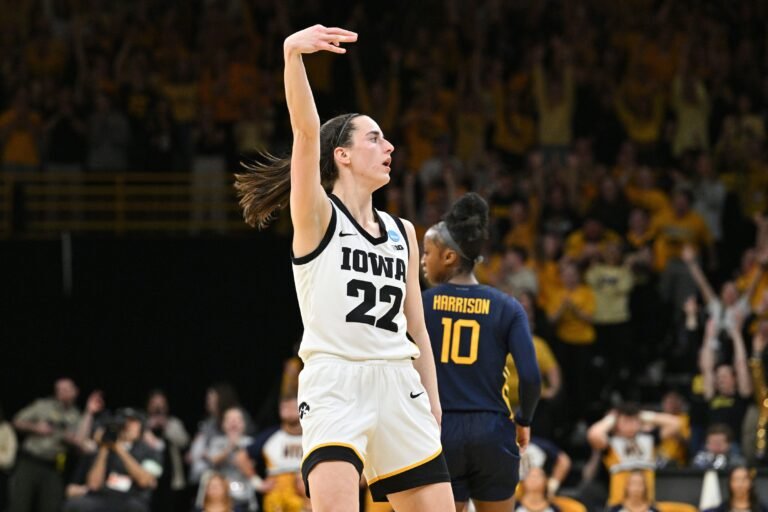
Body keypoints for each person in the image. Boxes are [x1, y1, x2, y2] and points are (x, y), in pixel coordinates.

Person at [234, 25, 453, 512]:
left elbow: (416, 327)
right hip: (336, 382)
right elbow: (305, 131)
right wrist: (292, 54)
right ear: (343, 155)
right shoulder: (316, 216)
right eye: (375, 138)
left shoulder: (403, 232)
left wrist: (433, 399)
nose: (389, 146)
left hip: (400, 385)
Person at [421, 192, 541, 512]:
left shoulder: (421, 306)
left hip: (439, 429)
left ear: (448, 257)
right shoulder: (508, 306)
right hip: (492, 429)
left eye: (427, 252)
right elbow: (530, 376)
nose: (423, 260)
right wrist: (524, 420)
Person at [9, 379, 102, 512]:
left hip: (54, 466)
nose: (62, 393)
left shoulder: (75, 416)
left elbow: (81, 442)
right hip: (30, 460)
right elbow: (16, 421)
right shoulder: (43, 406)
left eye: (66, 389)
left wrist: (89, 412)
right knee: (19, 504)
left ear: (75, 392)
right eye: (59, 390)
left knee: (52, 506)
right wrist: (35, 427)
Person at [63, 407, 163, 512]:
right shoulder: (104, 447)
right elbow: (94, 485)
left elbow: (144, 480)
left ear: (141, 427)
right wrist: (104, 447)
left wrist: (118, 448)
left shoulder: (150, 452)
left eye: (132, 421)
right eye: (124, 420)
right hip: (104, 497)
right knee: (75, 505)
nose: (127, 425)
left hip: (131, 499)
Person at [586, 403, 681, 506]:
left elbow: (676, 424)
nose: (630, 425)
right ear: (617, 423)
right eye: (626, 421)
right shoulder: (611, 443)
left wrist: (644, 415)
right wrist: (611, 418)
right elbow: (593, 434)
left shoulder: (648, 439)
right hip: (619, 506)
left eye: (634, 421)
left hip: (646, 505)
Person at [238, 396, 308, 512]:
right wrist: (258, 483)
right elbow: (241, 457)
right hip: (277, 490)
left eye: (292, 406)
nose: (288, 409)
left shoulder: (310, 435)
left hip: (304, 488)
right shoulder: (271, 435)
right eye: (284, 407)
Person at [702, 466, 768, 512]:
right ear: (729, 483)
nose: (740, 484)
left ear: (751, 483)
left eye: (744, 480)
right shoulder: (721, 509)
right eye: (736, 480)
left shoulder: (762, 509)